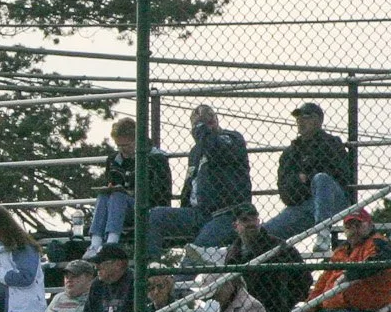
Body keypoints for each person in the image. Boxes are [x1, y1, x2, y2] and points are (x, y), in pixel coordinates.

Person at [147, 104, 251, 253]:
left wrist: (202, 129)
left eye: (209, 122)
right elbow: (190, 182)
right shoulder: (195, 152)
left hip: (225, 213)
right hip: (197, 213)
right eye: (199, 124)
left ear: (216, 120)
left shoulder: (232, 138)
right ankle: (153, 267)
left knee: (195, 253)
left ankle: (180, 278)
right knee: (156, 215)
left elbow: (214, 151)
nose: (205, 127)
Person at [293, 210, 391, 312]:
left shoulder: (377, 242)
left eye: (358, 224)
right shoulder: (341, 251)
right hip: (336, 310)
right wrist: (308, 308)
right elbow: (322, 283)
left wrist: (349, 274)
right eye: (349, 226)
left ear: (369, 225)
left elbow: (379, 260)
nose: (354, 230)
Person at [266, 101, 355, 245]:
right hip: (302, 206)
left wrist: (305, 179)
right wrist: (304, 180)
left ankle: (323, 232)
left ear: (318, 120)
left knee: (321, 179)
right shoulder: (290, 152)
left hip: (334, 203)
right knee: (264, 231)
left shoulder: (331, 143)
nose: (300, 120)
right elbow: (285, 192)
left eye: (306, 117)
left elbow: (341, 176)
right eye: (298, 118)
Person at [88, 116, 172, 256]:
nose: (122, 150)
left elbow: (161, 193)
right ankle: (95, 243)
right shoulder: (114, 159)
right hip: (120, 208)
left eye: (126, 145)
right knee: (105, 196)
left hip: (146, 207)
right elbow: (110, 183)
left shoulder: (156, 159)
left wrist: (131, 194)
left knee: (118, 196)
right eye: (118, 145)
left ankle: (111, 243)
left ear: (136, 140)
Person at [226, 207, 311, 312]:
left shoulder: (278, 248)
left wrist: (285, 302)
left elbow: (305, 279)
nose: (251, 224)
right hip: (242, 309)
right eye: (245, 220)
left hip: (273, 310)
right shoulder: (233, 252)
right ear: (235, 226)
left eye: (254, 219)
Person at [83, 244, 137, 312]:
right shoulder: (97, 285)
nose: (97, 267)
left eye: (101, 263)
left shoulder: (134, 281)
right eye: (95, 263)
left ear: (118, 264)